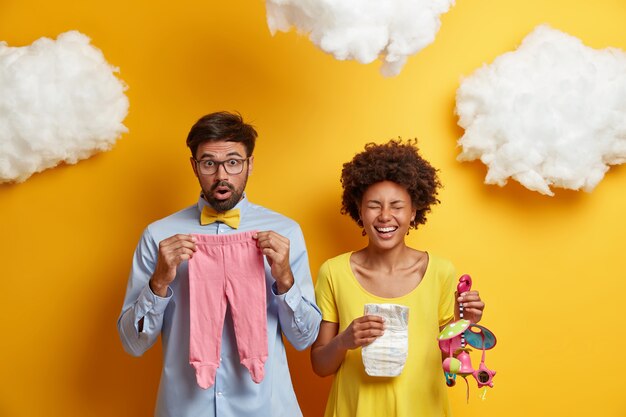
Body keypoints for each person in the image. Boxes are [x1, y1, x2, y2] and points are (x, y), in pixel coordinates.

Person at [117, 111, 322, 417]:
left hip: (266, 407)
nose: (222, 176)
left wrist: (285, 280)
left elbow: (304, 339)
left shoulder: (285, 233)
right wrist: (158, 283)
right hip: (186, 408)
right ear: (194, 166)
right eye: (209, 163)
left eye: (234, 162)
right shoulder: (159, 235)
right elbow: (133, 345)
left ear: (250, 164)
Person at [311, 139, 486, 417]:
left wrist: (464, 323)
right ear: (359, 209)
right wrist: (345, 340)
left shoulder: (440, 272)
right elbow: (320, 366)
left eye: (397, 206)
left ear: (414, 211)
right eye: (373, 205)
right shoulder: (333, 272)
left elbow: (447, 361)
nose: (385, 216)